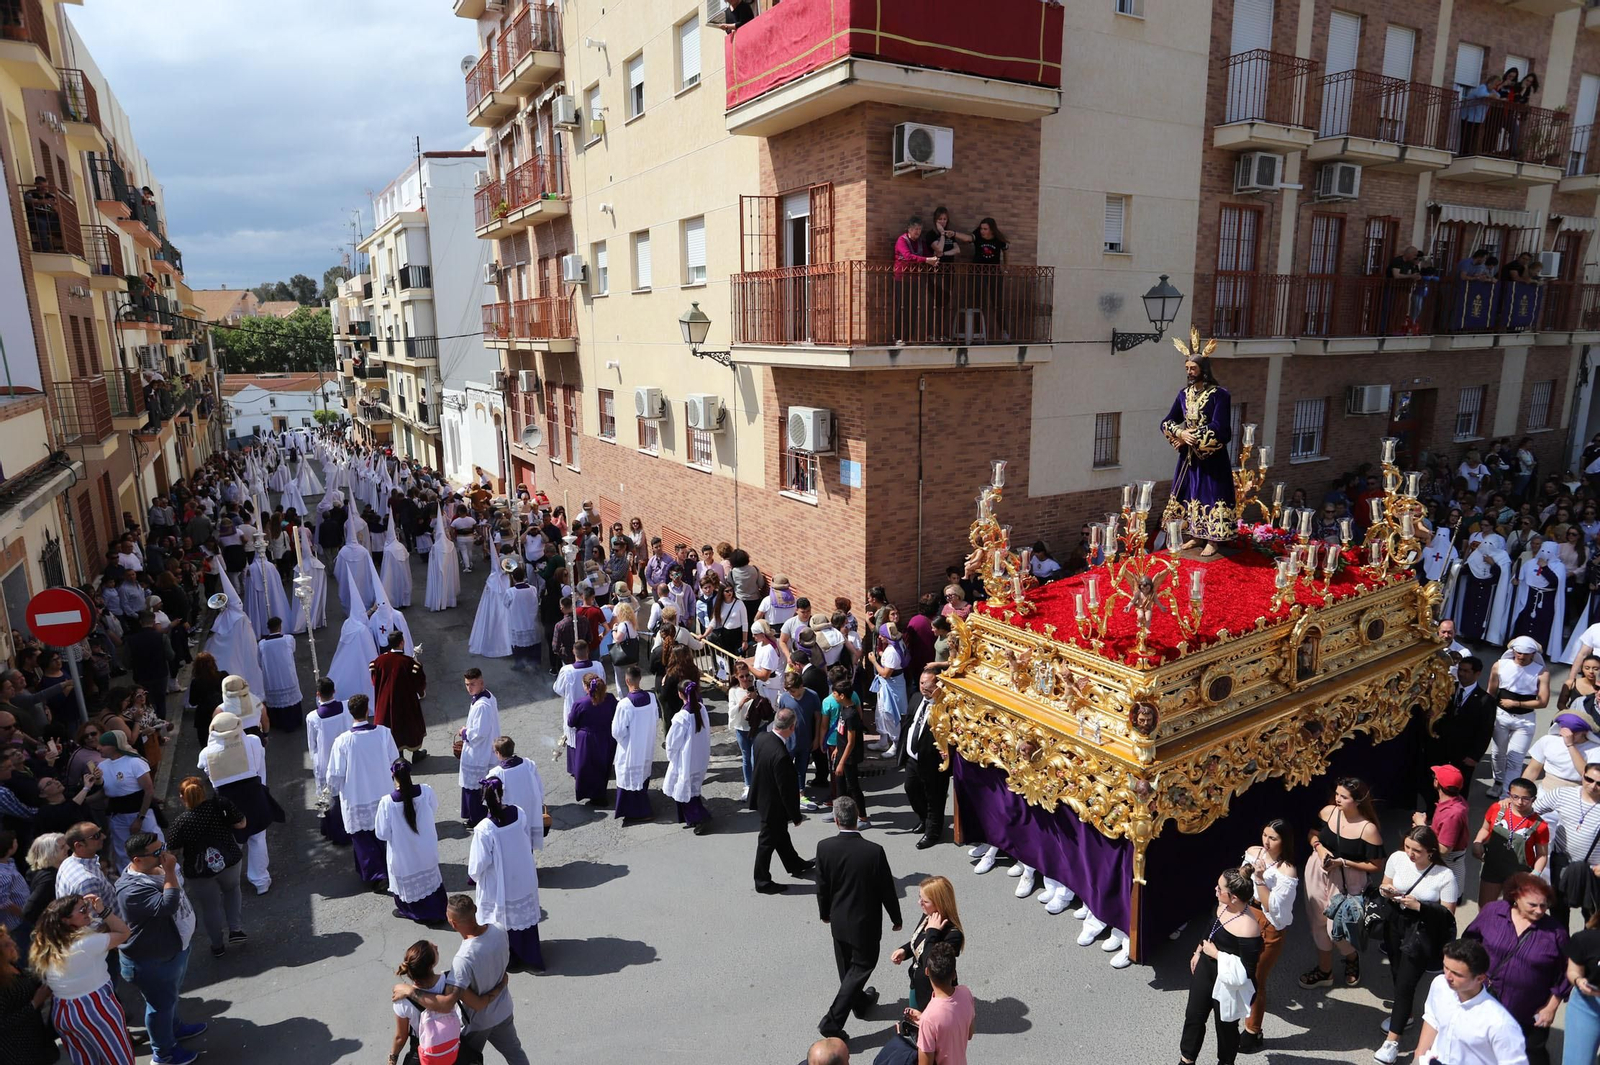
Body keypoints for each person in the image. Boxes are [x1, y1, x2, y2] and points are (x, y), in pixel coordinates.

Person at [390, 896, 527, 1065]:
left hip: (478, 1023)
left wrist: (411, 991)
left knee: (465, 1059)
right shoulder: (499, 929)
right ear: (474, 910)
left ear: (453, 923)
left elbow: (448, 1003)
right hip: (504, 1010)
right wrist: (500, 987)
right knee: (515, 1053)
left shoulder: (463, 959)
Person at [114, 832, 206, 1065]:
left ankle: (174, 1028)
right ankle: (163, 1053)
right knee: (159, 1007)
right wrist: (170, 872)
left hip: (174, 949)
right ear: (137, 860)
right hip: (151, 961)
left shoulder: (157, 868)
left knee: (170, 997)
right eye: (157, 853)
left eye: (162, 848)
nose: (164, 855)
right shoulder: (131, 890)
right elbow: (168, 905)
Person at [815, 795, 901, 1042]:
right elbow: (887, 888)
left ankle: (860, 1003)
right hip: (866, 923)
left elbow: (822, 886)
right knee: (861, 967)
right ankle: (832, 1022)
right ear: (856, 818)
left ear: (836, 820)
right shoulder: (874, 851)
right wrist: (896, 917)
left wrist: (824, 913)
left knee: (847, 969)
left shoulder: (824, 847)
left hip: (839, 920)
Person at [1373, 826, 1460, 1063]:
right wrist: (1388, 891)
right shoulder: (1397, 858)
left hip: (1422, 931)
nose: (1410, 854)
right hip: (1395, 923)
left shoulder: (1444, 876)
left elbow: (1447, 915)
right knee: (1395, 971)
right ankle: (1406, 1014)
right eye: (1408, 847)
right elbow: (1384, 884)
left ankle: (1392, 1042)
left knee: (1405, 983)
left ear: (1431, 852)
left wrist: (1419, 906)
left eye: (1417, 851)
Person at [1463, 874, 1569, 1065]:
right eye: (1532, 905)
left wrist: (1551, 1008)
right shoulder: (1493, 912)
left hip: (1528, 1014)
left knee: (1529, 1056)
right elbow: (1470, 943)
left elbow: (1567, 973)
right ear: (1516, 897)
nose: (1539, 911)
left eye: (1544, 906)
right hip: (1486, 1001)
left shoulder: (1556, 933)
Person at [29, 894, 136, 1065]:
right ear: (65, 920)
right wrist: (103, 910)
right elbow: (124, 932)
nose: (88, 911)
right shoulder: (86, 944)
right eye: (82, 909)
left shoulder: (47, 945)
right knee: (120, 1060)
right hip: (95, 1009)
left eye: (86, 906)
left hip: (63, 1013)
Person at [1299, 777, 1384, 990]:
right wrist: (1319, 847)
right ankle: (1324, 970)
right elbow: (1312, 834)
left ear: (1357, 801)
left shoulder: (1368, 829)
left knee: (1336, 928)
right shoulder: (1327, 812)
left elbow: (1375, 865)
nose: (1337, 799)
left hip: (1348, 880)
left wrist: (1343, 862)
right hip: (1317, 872)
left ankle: (1351, 957)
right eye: (1337, 794)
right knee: (1317, 922)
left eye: (1343, 797)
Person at [1179, 869, 1262, 1065]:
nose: (1215, 889)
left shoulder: (1249, 927)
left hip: (1229, 985)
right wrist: (1198, 951)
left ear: (1233, 897)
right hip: (1206, 971)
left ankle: (1225, 1062)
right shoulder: (1221, 905)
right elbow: (1210, 928)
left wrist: (1215, 954)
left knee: (1225, 1028)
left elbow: (1247, 971)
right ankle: (1186, 1060)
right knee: (1193, 1017)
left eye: (1220, 888)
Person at [1161, 350, 1236, 556]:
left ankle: (1213, 539)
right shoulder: (1184, 395)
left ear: (1203, 369)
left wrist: (1195, 437)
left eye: (1193, 368)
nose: (1189, 372)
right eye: (1187, 368)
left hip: (1213, 458)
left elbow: (1221, 429)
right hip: (1189, 458)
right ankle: (1195, 535)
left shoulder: (1220, 395)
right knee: (1191, 493)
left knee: (1211, 495)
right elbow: (1167, 421)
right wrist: (1180, 434)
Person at [197, 710, 280, 895]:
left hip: (226, 802)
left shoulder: (206, 753)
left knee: (232, 840)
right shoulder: (253, 741)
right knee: (257, 838)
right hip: (252, 794)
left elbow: (206, 773)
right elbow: (259, 767)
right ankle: (260, 881)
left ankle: (230, 881)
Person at [164, 777, 246, 959]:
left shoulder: (181, 822)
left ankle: (217, 945)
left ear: (181, 797)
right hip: (229, 858)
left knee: (210, 907)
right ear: (203, 791)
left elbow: (173, 850)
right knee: (232, 891)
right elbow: (241, 823)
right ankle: (236, 930)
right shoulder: (219, 806)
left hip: (199, 870)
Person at [1413, 938, 1529, 1065]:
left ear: (1480, 978)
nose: (1447, 977)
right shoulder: (1440, 985)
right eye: (1446, 967)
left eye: (1457, 974)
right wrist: (1419, 1056)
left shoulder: (1500, 1023)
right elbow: (1432, 1018)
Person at [468, 777, 543, 971]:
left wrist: (474, 876)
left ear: (483, 799)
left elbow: (479, 863)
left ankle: (509, 958)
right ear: (502, 792)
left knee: (502, 919)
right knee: (521, 916)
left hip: (500, 880)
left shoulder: (484, 829)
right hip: (522, 873)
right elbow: (523, 838)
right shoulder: (519, 812)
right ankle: (530, 952)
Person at [327, 694, 401, 890]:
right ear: (368, 710)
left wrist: (333, 793)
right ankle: (391, 868)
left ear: (350, 714)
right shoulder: (384, 733)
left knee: (362, 839)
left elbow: (335, 774)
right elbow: (395, 762)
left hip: (356, 797)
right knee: (384, 834)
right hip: (383, 792)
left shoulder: (342, 741)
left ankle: (377, 875)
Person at [1238, 819, 1297, 1052]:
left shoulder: (1287, 870)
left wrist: (1260, 879)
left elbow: (1273, 907)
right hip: (1246, 914)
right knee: (1241, 969)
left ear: (1284, 842)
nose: (1266, 841)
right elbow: (1242, 883)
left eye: (1273, 838)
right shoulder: (1254, 852)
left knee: (1256, 978)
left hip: (1270, 925)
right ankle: (1243, 1004)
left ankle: (1253, 1031)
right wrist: (1245, 873)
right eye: (1265, 835)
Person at [375, 758, 446, 925]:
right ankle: (437, 909)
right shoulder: (426, 791)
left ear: (393, 775)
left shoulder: (387, 802)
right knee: (430, 876)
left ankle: (412, 911)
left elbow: (382, 833)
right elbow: (433, 808)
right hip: (426, 846)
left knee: (409, 877)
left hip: (403, 852)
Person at [752, 706, 812, 895]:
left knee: (780, 835)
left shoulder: (762, 738)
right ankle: (762, 881)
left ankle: (794, 864)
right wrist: (796, 816)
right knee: (767, 841)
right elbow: (786, 791)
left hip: (762, 796)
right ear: (792, 727)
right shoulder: (782, 756)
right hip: (773, 805)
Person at [1487, 637, 1551, 797]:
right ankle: (1499, 781)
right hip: (1501, 716)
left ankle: (1508, 795)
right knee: (1497, 754)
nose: (1521, 656)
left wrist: (1516, 703)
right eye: (1519, 652)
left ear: (1533, 654)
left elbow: (1543, 702)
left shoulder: (1541, 672)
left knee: (1515, 759)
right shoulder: (1499, 666)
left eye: (1526, 654)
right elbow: (1491, 692)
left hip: (1525, 721)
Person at [890, 875, 964, 1011]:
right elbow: (920, 940)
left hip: (933, 993)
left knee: (924, 1024)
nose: (919, 903)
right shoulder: (929, 915)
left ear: (939, 903)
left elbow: (931, 964)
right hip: (917, 981)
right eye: (920, 897)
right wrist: (905, 950)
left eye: (925, 901)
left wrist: (932, 931)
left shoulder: (953, 935)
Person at [1472, 777, 1549, 906]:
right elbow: (1485, 829)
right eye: (1515, 797)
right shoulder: (1497, 809)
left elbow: (1542, 854)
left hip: (1519, 873)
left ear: (1533, 799)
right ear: (1509, 795)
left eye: (1525, 798)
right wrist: (1478, 842)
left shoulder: (1540, 825)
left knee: (1510, 912)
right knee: (1485, 908)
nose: (1519, 802)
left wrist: (1535, 874)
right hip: (1493, 868)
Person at [901, 667, 951, 849]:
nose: (923, 687)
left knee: (934, 797)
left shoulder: (945, 706)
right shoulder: (916, 698)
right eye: (921, 683)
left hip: (933, 762)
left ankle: (933, 832)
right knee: (911, 789)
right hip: (913, 758)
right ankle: (924, 819)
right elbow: (909, 723)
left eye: (927, 684)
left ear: (937, 684)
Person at [98, 728, 158, 870]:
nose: (98, 748)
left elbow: (148, 791)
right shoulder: (101, 767)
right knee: (122, 851)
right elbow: (105, 792)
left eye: (103, 745)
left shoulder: (135, 762)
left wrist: (139, 819)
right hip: (117, 816)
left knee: (153, 844)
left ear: (115, 746)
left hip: (139, 812)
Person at [0, 923, 57, 1065]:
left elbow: (27, 981)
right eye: (6, 944)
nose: (13, 943)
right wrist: (34, 1003)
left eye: (10, 939)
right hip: (18, 1051)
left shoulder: (11, 966)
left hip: (36, 1038)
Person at [305, 678, 353, 843]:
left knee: (327, 797)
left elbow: (312, 745)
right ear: (334, 691)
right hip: (346, 759)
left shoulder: (312, 717)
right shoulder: (346, 707)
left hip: (325, 762)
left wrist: (316, 762)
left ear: (318, 694)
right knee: (345, 794)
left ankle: (330, 830)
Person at [371, 630, 428, 764]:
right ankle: (415, 753)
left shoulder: (379, 661)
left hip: (386, 702)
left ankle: (398, 756)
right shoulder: (409, 662)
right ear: (402, 643)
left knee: (392, 726)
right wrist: (421, 693)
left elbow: (374, 680)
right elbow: (419, 683)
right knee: (410, 726)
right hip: (405, 702)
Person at [664, 680, 712, 834]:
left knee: (685, 791)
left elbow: (672, 743)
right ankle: (692, 817)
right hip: (700, 756)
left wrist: (671, 756)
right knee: (692, 790)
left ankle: (700, 817)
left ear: (680, 694)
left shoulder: (681, 717)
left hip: (686, 760)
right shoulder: (702, 708)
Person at [611, 666, 659, 821]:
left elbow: (617, 731)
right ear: (640, 679)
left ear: (626, 681)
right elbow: (656, 718)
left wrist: (625, 739)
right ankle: (641, 807)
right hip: (646, 744)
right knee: (642, 775)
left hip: (631, 748)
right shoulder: (652, 697)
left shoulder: (624, 704)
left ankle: (638, 811)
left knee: (629, 778)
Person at [486, 737, 545, 855]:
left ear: (498, 753)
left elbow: (491, 797)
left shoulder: (497, 773)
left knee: (516, 842)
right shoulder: (528, 763)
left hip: (513, 811)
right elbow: (538, 784)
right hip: (530, 805)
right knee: (528, 837)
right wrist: (540, 801)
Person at [555, 640, 606, 778]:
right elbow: (603, 684)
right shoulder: (598, 666)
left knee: (576, 741)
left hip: (575, 711)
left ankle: (577, 768)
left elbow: (558, 689)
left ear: (573, 652)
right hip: (595, 708)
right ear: (588, 651)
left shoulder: (567, 671)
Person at [457, 669, 500, 827]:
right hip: (484, 747)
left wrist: (464, 732)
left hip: (479, 750)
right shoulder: (485, 695)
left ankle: (476, 818)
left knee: (473, 787)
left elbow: (479, 733)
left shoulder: (482, 704)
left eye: (472, 684)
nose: (469, 688)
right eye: (467, 684)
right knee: (477, 786)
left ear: (481, 682)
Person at [566, 673, 617, 806]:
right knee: (603, 764)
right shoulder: (610, 698)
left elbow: (571, 722)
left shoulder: (580, 703)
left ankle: (589, 793)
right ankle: (600, 792)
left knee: (587, 766)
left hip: (586, 739)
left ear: (586, 687)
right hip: (606, 736)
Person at [867, 623, 908, 759]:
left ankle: (895, 744)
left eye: (882, 635)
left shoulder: (892, 652)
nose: (879, 637)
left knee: (890, 714)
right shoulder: (897, 644)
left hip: (891, 686)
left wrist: (873, 661)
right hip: (888, 686)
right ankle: (883, 741)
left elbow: (885, 673)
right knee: (881, 712)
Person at [1564, 911, 1600, 1065]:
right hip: (1587, 1004)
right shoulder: (1584, 939)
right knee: (1578, 1061)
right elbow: (1573, 971)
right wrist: (1579, 981)